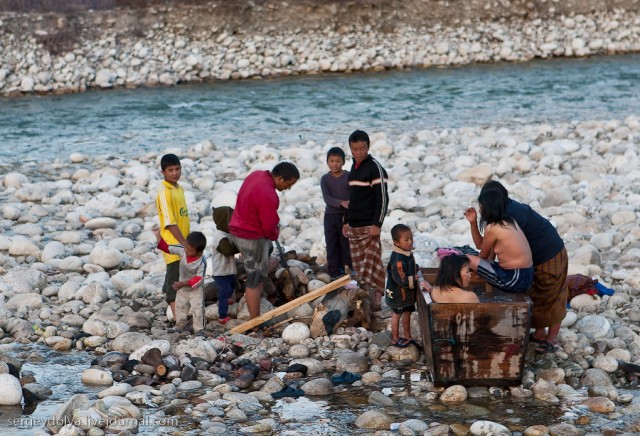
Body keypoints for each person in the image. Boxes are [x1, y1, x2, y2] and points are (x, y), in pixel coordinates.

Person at [472, 180, 568, 352]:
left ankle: (552, 339)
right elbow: (494, 247)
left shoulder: (513, 215)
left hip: (549, 254)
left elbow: (489, 248)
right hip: (532, 262)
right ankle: (540, 333)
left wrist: (482, 264)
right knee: (534, 294)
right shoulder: (502, 214)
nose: (481, 210)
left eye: (482, 205)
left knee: (552, 295)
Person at [229, 162, 300, 320]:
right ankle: (255, 320)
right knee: (254, 279)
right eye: (289, 184)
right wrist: (275, 232)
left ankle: (262, 294)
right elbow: (269, 227)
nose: (288, 188)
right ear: (280, 178)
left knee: (258, 271)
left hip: (238, 229)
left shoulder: (257, 175)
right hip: (250, 236)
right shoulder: (269, 194)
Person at [344, 130, 389, 312]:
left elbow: (383, 199)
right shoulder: (352, 171)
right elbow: (351, 199)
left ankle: (376, 299)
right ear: (351, 149)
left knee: (373, 263)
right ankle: (365, 299)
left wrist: (377, 224)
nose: (359, 152)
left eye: (362, 148)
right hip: (354, 226)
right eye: (355, 149)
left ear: (368, 147)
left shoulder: (375, 168)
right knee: (359, 267)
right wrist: (346, 221)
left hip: (369, 226)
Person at [464, 189, 534, 293]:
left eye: (481, 206)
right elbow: (482, 246)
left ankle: (456, 294)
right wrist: (473, 222)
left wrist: (474, 269)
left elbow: (482, 255)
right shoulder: (509, 222)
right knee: (473, 261)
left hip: (514, 278)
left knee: (465, 259)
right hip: (526, 276)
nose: (479, 211)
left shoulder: (493, 228)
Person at [155, 153, 190, 321]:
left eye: (177, 169)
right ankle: (178, 319)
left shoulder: (179, 188)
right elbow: (170, 222)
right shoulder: (164, 192)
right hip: (172, 243)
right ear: (163, 172)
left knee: (179, 274)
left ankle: (166, 288)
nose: (175, 173)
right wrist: (184, 243)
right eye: (170, 170)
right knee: (175, 278)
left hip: (182, 241)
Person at [153, 228, 207, 335]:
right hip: (182, 288)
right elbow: (167, 248)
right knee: (180, 307)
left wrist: (183, 283)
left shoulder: (201, 263)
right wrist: (158, 236)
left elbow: (198, 279)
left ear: (199, 252)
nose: (186, 251)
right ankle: (179, 326)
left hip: (195, 289)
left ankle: (199, 329)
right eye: (186, 247)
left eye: (190, 250)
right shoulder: (182, 250)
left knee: (198, 309)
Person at [385, 224, 430, 348]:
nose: (410, 242)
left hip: (407, 294)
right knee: (397, 315)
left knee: (408, 313)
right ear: (396, 242)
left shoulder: (407, 253)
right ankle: (395, 338)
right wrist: (414, 278)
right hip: (398, 294)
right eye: (406, 240)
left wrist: (416, 269)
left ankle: (407, 336)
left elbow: (411, 266)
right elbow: (400, 279)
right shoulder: (398, 259)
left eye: (411, 238)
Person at [320, 147, 352, 280]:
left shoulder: (349, 176)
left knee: (345, 244)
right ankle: (333, 272)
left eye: (338, 161)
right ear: (327, 162)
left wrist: (349, 207)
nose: (334, 164)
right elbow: (327, 198)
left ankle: (347, 270)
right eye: (331, 161)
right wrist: (341, 203)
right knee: (331, 243)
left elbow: (354, 195)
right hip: (331, 216)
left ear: (343, 162)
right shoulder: (325, 179)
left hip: (346, 217)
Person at [211, 206, 239, 325]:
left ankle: (225, 299)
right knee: (224, 289)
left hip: (228, 269)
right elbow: (227, 250)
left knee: (231, 285)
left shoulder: (226, 233)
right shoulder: (220, 237)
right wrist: (241, 247)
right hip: (221, 271)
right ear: (224, 220)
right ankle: (222, 315)